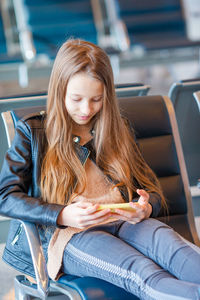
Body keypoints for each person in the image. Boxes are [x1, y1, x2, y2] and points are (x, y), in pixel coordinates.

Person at [0, 39, 200, 300]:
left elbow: (153, 191)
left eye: (96, 99)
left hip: (125, 221)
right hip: (72, 234)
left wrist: (146, 207)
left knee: (179, 254)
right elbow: (5, 196)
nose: (86, 110)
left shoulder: (118, 128)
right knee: (141, 273)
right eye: (77, 99)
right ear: (60, 91)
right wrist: (62, 215)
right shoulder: (34, 132)